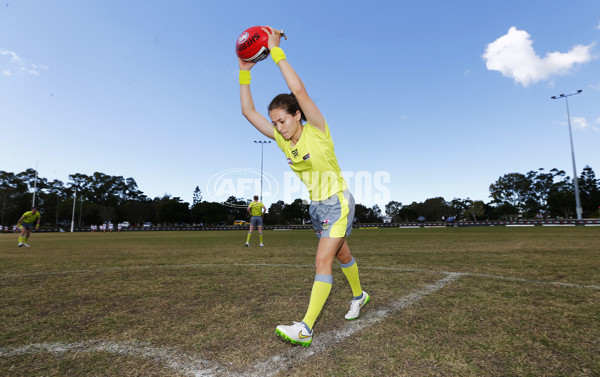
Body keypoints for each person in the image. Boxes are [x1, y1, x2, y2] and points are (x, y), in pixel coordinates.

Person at [238, 26, 369, 347]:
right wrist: (244, 72)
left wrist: (275, 50)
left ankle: (306, 327)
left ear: (298, 115)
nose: (278, 127)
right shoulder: (284, 143)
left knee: (321, 261)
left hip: (338, 201)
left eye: (283, 120)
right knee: (341, 256)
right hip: (317, 207)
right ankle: (360, 295)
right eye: (275, 123)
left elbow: (300, 90)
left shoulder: (317, 130)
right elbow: (247, 112)